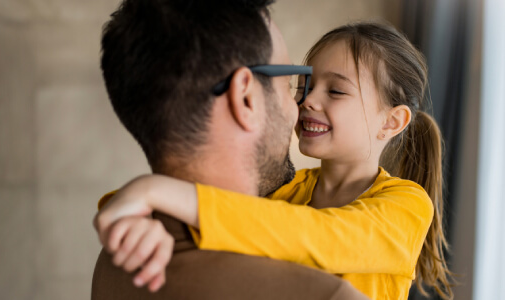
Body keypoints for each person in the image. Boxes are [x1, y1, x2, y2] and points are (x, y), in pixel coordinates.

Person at [95, 22, 456, 299]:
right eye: (305, 86)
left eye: (335, 90)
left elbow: (322, 238)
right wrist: (135, 214)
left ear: (391, 122)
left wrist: (151, 191)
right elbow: (226, 220)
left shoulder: (407, 205)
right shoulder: (287, 190)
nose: (308, 101)